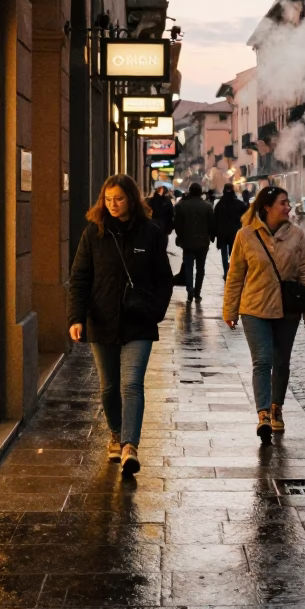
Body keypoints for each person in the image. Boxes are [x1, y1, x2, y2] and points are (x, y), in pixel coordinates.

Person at [67, 174, 174, 475]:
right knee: (109, 387)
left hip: (139, 322)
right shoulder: (94, 232)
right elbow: (79, 278)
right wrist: (76, 318)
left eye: (119, 199)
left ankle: (129, 446)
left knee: (131, 384)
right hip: (101, 321)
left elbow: (164, 278)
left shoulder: (150, 233)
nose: (113, 205)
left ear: (131, 199)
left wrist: (155, 312)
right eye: (108, 199)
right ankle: (115, 432)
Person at [223, 185, 305, 442]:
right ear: (267, 207)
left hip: (287, 308)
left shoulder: (296, 235)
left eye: (288, 203)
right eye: (283, 203)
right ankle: (263, 414)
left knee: (282, 361)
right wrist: (230, 309)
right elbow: (235, 275)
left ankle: (277, 407)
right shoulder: (245, 235)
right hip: (254, 308)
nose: (288, 207)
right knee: (262, 361)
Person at [174, 182, 216, 302]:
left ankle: (190, 290)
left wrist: (180, 237)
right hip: (203, 242)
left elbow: (177, 224)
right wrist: (211, 236)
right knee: (200, 268)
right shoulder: (207, 206)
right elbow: (212, 224)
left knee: (188, 266)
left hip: (187, 241)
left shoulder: (182, 205)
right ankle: (197, 292)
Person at [214, 183, 246, 280]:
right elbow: (245, 219)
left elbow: (215, 220)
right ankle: (232, 272)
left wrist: (213, 234)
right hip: (235, 233)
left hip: (222, 233)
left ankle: (226, 272)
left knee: (224, 254)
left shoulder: (219, 204)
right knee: (233, 254)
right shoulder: (239, 204)